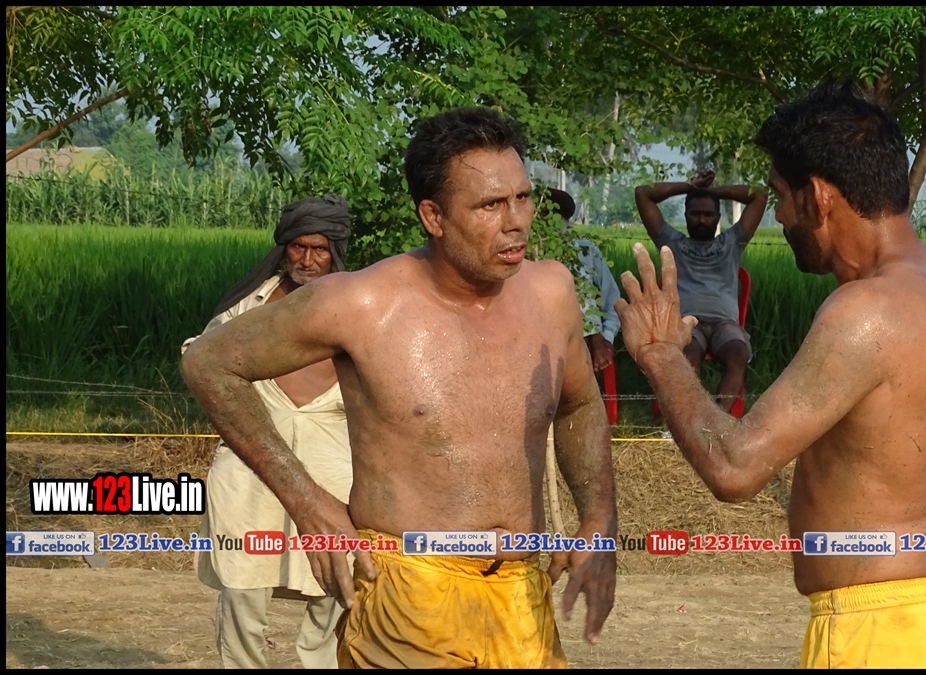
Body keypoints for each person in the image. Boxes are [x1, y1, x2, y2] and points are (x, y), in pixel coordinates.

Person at [181, 106, 617, 669]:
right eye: (489, 205)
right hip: (405, 591)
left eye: (523, 197)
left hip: (521, 592)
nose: (516, 222)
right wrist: (307, 500)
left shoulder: (552, 292)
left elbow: (579, 404)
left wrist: (599, 521)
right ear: (433, 216)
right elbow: (209, 363)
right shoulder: (361, 303)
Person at [614, 85, 926, 669]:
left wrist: (661, 356)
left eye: (783, 198)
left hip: (874, 634)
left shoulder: (866, 310)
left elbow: (735, 467)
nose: (781, 218)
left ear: (817, 197)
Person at [180, 194, 354, 669]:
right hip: (249, 466)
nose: (308, 260)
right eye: (299, 247)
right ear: (283, 248)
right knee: (242, 584)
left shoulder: (357, 311)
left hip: (333, 466)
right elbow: (200, 363)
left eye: (320, 249)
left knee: (335, 583)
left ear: (336, 252)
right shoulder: (247, 309)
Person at [633, 170, 767, 412]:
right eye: (695, 214)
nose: (702, 220)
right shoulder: (671, 242)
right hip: (687, 323)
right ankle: (690, 420)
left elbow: (759, 195)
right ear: (685, 215)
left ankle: (718, 421)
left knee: (738, 355)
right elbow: (643, 193)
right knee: (688, 358)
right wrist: (690, 187)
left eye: (708, 214)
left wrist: (712, 191)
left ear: (718, 217)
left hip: (724, 324)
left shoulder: (732, 242)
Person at [544, 187, 622, 373]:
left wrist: (606, 337)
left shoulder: (585, 251)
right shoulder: (526, 257)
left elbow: (614, 302)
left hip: (582, 343)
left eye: (556, 218)